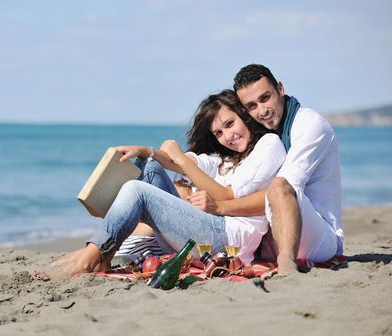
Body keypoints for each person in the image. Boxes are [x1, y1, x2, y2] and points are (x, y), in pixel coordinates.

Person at [32, 89, 286, 280]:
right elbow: (178, 162)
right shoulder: (224, 157)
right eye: (218, 133)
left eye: (230, 124)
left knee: (137, 191)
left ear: (244, 117)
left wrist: (181, 162)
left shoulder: (268, 146)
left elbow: (226, 197)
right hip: (206, 230)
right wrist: (146, 151)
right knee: (149, 167)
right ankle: (101, 250)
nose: (228, 136)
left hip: (227, 241)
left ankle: (93, 255)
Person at [207, 64, 343, 276]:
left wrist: (220, 206)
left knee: (279, 185)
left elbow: (285, 189)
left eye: (265, 98)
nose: (262, 111)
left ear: (280, 88)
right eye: (251, 106)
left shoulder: (309, 125)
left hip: (320, 240)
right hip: (274, 233)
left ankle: (286, 265)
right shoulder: (266, 132)